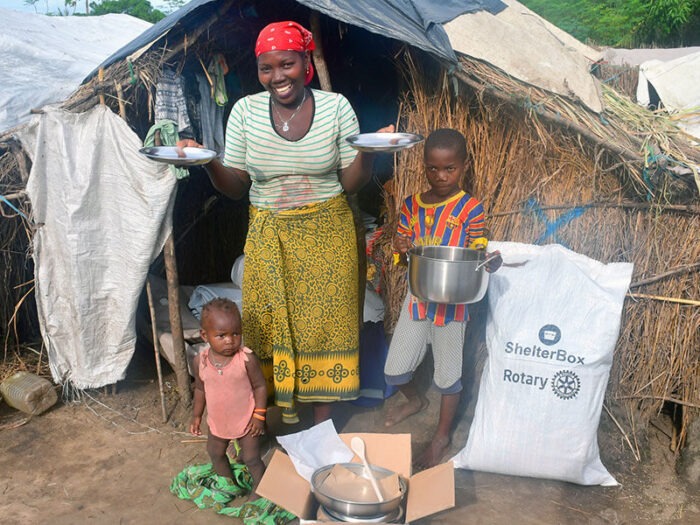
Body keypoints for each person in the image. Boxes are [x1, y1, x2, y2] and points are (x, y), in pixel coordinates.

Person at [179, 21, 393, 426]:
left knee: (328, 329)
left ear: (306, 62)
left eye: (287, 64)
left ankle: (321, 426)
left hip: (329, 234)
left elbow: (351, 182)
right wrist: (209, 162)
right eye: (267, 67)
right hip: (269, 235)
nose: (277, 76)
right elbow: (236, 186)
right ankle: (269, 418)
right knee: (267, 324)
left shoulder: (336, 108)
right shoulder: (245, 112)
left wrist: (369, 153)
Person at [383, 128, 501, 469]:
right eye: (433, 168)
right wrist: (400, 247)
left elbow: (478, 250)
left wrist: (490, 260)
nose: (441, 176)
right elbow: (401, 248)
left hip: (453, 304)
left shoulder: (470, 209)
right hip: (418, 298)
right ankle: (416, 400)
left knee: (449, 376)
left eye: (449, 168)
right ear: (424, 167)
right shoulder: (411, 206)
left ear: (463, 166)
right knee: (395, 371)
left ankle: (441, 438)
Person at [190, 298, 267, 497]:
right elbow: (200, 390)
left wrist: (258, 416)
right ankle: (229, 484)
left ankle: (261, 489)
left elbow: (260, 387)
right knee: (215, 453)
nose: (230, 340)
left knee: (251, 458)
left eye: (236, 333)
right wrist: (197, 416)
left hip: (247, 421)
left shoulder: (246, 359)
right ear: (204, 335)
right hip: (218, 421)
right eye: (221, 335)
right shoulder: (201, 362)